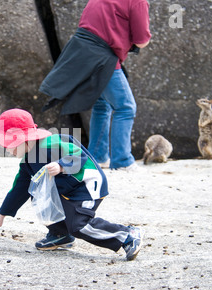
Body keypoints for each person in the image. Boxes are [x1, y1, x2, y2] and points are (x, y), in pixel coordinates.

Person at [0, 108, 144, 261]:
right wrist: (2, 213)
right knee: (38, 193)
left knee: (78, 225)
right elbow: (19, 189)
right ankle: (60, 234)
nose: (7, 149)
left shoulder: (50, 143)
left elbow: (78, 154)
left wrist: (61, 165)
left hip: (86, 186)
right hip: (67, 189)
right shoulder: (27, 163)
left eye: (8, 144)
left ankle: (127, 235)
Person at [39, 0, 151, 170]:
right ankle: (122, 161)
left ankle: (97, 158)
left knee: (102, 105)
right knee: (125, 107)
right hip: (102, 58)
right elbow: (141, 40)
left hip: (81, 52)